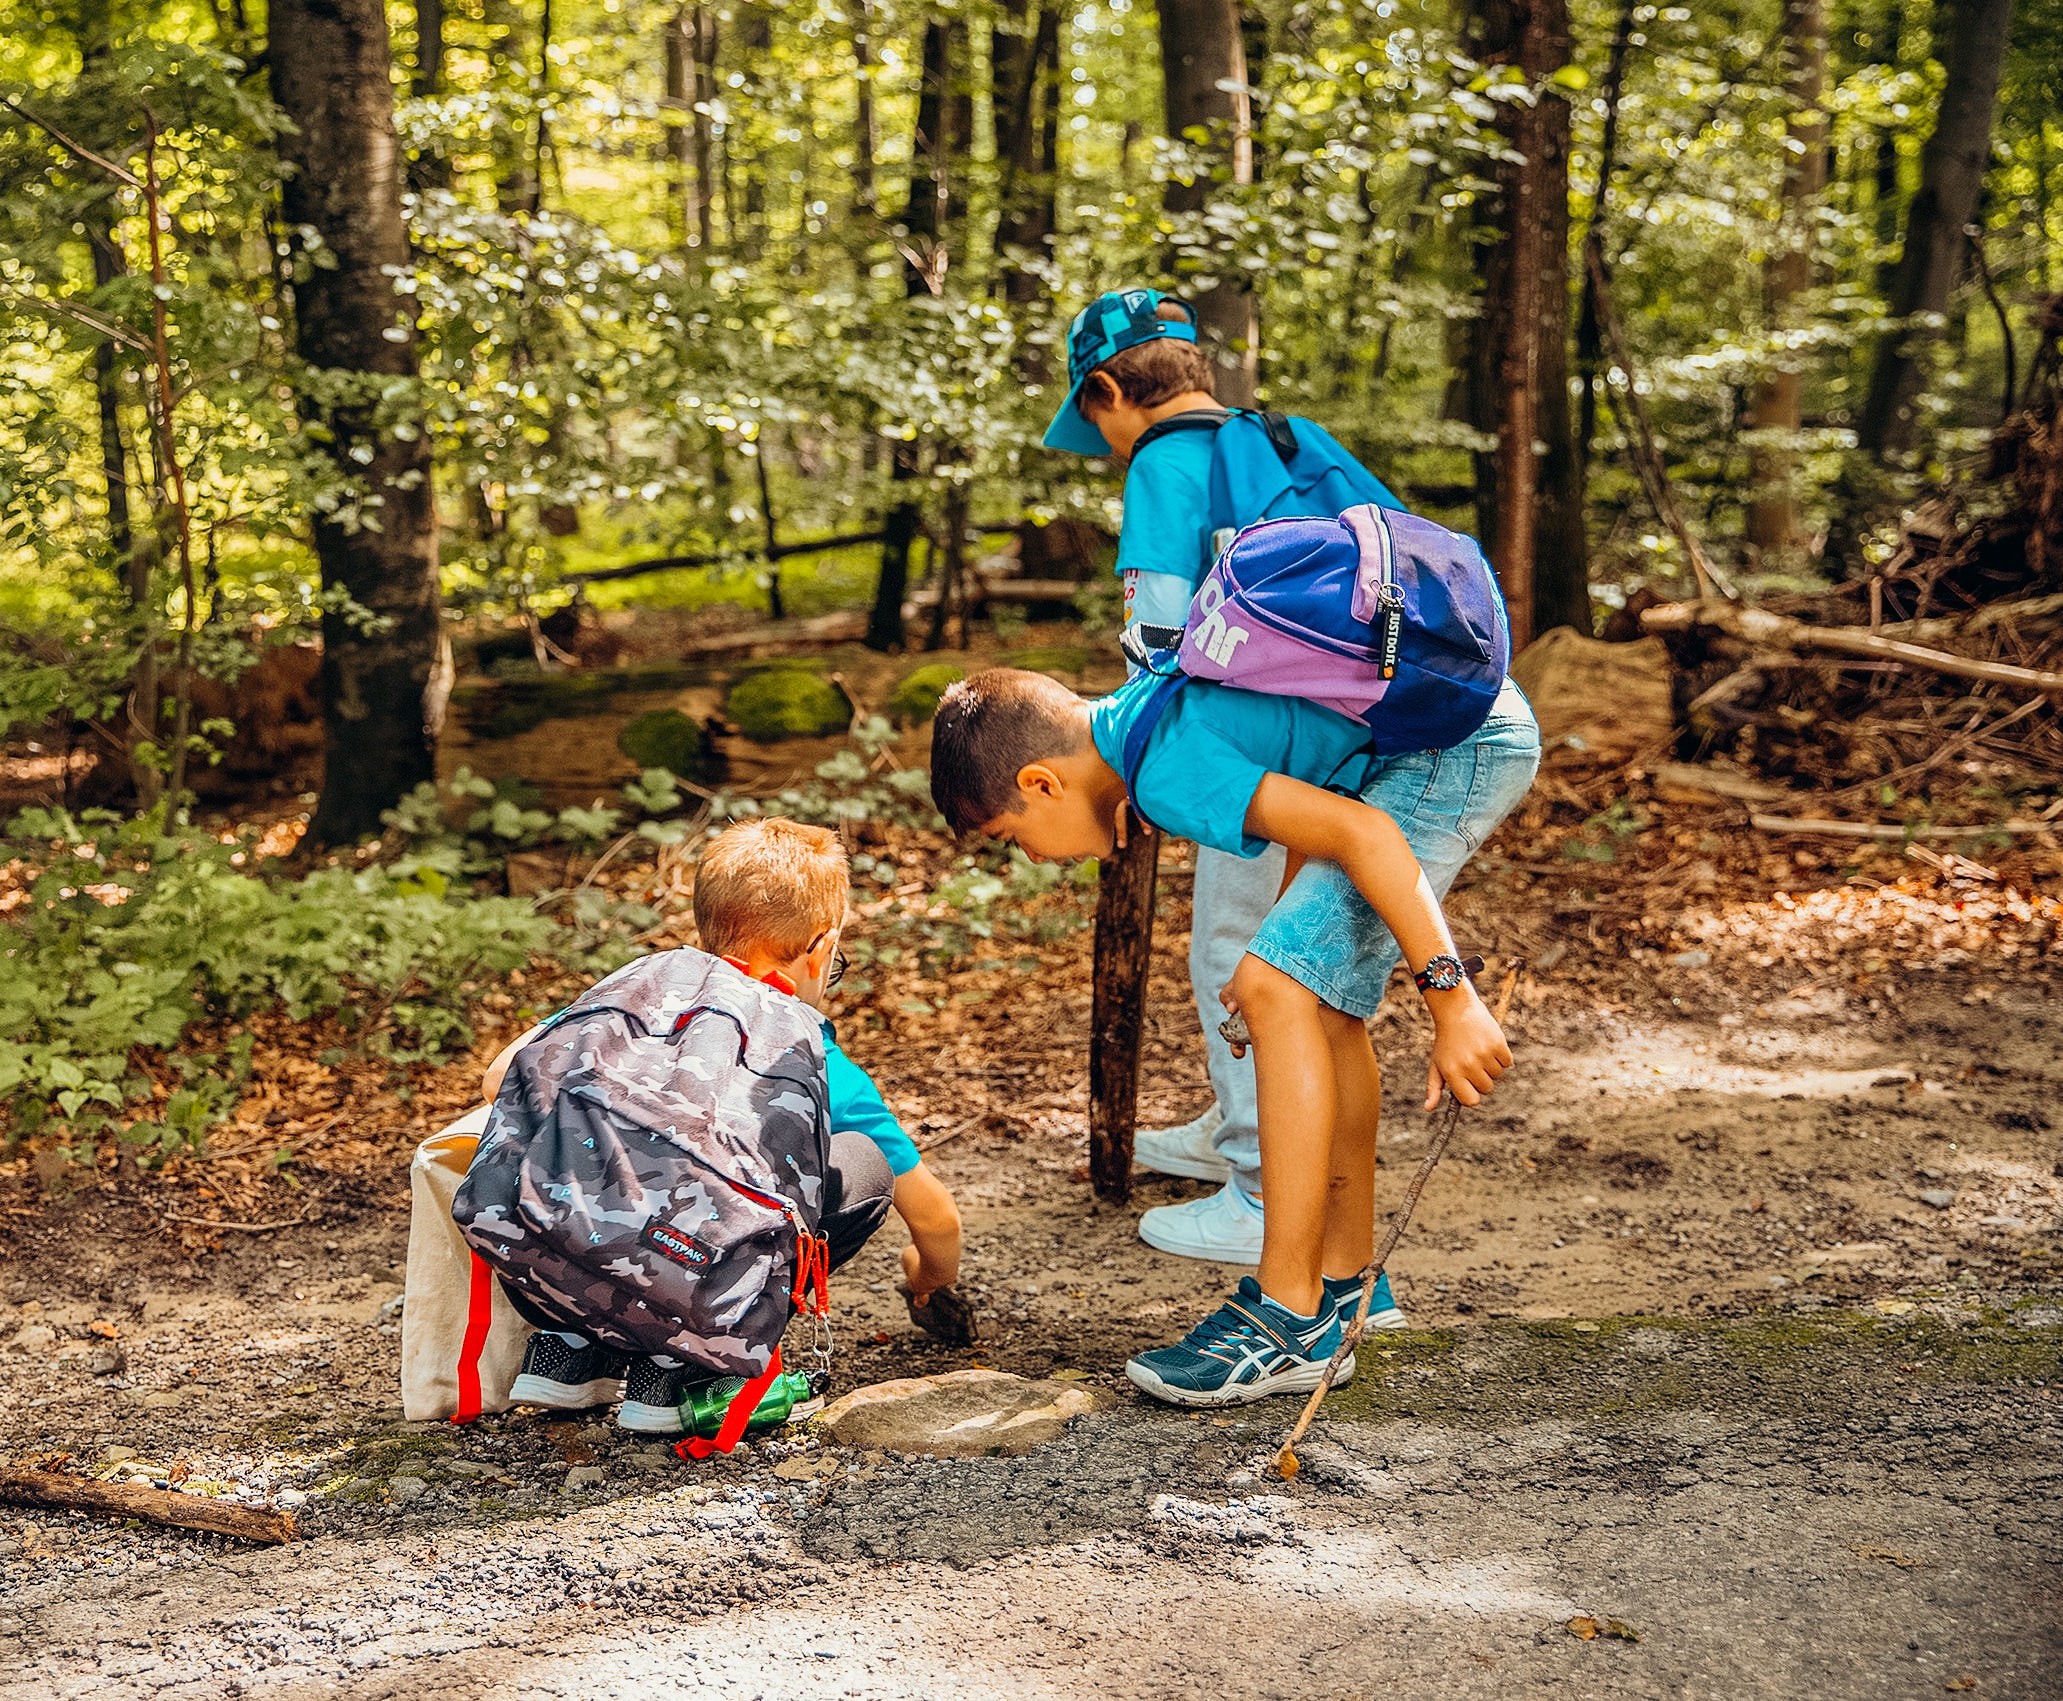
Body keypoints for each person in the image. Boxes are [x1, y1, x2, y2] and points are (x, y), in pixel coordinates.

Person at [929, 664, 1537, 1405]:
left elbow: (1363, 830)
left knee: (1272, 986)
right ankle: (1349, 1292)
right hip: (1452, 726)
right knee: (1305, 995)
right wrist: (1285, 941)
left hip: (1450, 746)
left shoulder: (1159, 769)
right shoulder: (1146, 714)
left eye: (1009, 833)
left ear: (1041, 782)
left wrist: (1451, 999)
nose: (1028, 854)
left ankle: (1288, 1316)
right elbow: (1314, 810)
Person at [1042, 286, 1404, 1266]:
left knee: (1234, 952)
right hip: (1349, 725)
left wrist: (1128, 754)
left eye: (1095, 420)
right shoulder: (1274, 440)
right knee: (1283, 949)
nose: (1106, 443)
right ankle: (1234, 1126)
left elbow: (1154, 633)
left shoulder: (1163, 462)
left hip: (1245, 740)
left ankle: (1256, 1179)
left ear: (1109, 389)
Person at [476, 818, 964, 1432]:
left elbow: (500, 1077)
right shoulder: (804, 1050)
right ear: (820, 948)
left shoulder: (637, 1004)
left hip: (553, 1266)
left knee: (566, 1139)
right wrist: (927, 1278)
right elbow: (936, 1219)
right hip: (692, 1280)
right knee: (863, 1161)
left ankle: (568, 1351)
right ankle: (679, 1364)